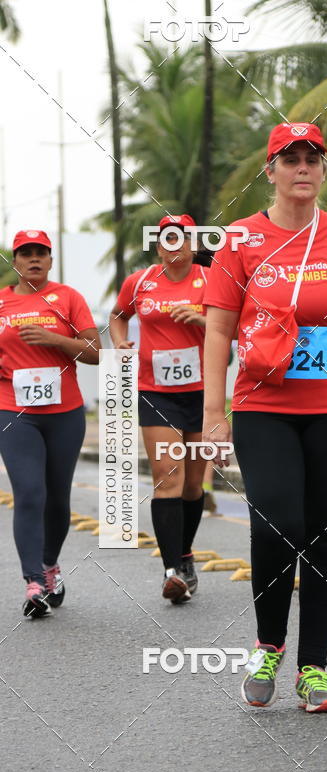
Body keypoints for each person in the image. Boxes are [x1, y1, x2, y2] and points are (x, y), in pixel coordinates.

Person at [202, 122, 327, 713]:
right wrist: (215, 416)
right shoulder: (240, 240)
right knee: (277, 522)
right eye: (290, 159)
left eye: (313, 158)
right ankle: (269, 644)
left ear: (323, 168)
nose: (303, 168)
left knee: (324, 533)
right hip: (265, 407)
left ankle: (314, 669)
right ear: (271, 170)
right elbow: (216, 331)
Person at [0, 230, 100, 617]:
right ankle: (33, 582)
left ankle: (49, 565)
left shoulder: (68, 298)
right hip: (13, 410)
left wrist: (54, 340)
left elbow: (95, 352)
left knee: (57, 497)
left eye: (41, 252)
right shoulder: (3, 301)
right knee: (28, 492)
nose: (34, 259)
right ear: (15, 260)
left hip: (64, 412)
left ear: (51, 259)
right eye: (26, 253)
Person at [110, 214, 209, 602]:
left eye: (182, 238)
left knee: (193, 484)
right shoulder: (140, 282)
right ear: (158, 246)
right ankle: (171, 570)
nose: (175, 245)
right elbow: (119, 316)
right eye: (167, 239)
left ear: (193, 244)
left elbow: (236, 325)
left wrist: (203, 318)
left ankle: (184, 554)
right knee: (168, 476)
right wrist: (120, 342)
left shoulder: (211, 280)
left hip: (202, 391)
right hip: (157, 391)